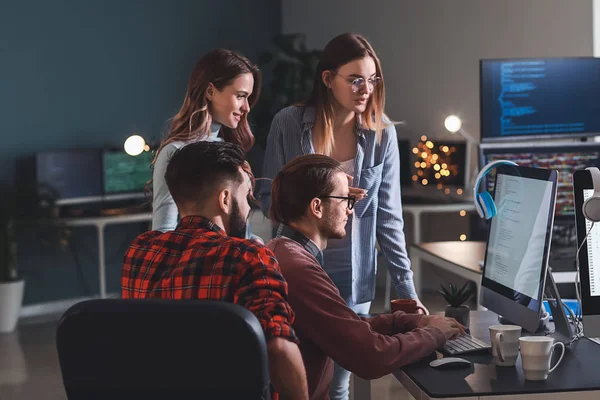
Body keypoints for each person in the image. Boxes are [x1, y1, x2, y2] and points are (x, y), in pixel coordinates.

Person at [259, 33, 424, 399]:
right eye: (354, 79)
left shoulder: (382, 135)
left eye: (372, 79)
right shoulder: (289, 122)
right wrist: (325, 197)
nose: (365, 88)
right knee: (301, 376)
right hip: (299, 270)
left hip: (353, 276)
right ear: (327, 78)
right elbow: (266, 193)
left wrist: (407, 291)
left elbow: (389, 219)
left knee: (339, 384)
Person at [266, 154, 464, 399]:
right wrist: (435, 334)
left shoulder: (283, 251)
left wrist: (409, 322)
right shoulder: (298, 268)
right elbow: (370, 357)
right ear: (317, 207)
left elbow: (342, 326)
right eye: (345, 198)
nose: (351, 208)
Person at [123, 141, 308, 399]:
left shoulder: (140, 251)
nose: (247, 208)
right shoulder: (249, 256)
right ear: (224, 199)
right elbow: (279, 349)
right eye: (245, 196)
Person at [152, 48, 261, 233]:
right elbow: (163, 232)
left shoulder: (229, 148)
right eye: (240, 96)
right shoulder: (174, 152)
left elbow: (243, 229)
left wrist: (257, 245)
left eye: (248, 98)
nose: (247, 108)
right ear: (210, 91)